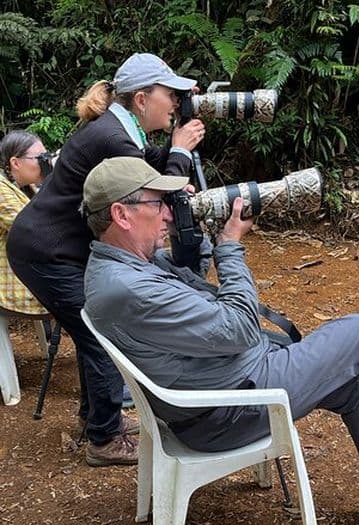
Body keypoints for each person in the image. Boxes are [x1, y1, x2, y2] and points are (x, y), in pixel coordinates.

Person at [81, 156, 359, 525]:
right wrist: (229, 246)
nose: (166, 214)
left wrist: (188, 234)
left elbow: (191, 285)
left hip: (225, 385)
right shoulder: (128, 288)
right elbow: (241, 328)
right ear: (121, 214)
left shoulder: (123, 268)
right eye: (158, 203)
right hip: (231, 406)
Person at [6, 53, 207, 466]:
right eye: (170, 94)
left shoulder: (119, 130)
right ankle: (103, 439)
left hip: (55, 246)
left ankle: (97, 419)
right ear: (140, 98)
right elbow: (155, 185)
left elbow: (149, 160)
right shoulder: (112, 138)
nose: (174, 103)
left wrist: (178, 132)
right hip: (47, 252)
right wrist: (181, 152)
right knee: (100, 333)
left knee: (91, 329)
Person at [0, 131, 49, 316]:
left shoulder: (29, 186)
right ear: (15, 163)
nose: (44, 163)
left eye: (47, 156)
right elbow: (32, 230)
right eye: (39, 158)